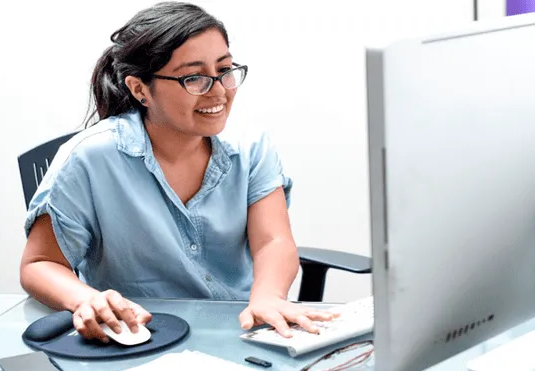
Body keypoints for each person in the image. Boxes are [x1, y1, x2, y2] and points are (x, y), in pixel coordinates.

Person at [19, 1, 334, 344]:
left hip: (240, 327)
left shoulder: (251, 148)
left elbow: (273, 240)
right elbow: (38, 264)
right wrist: (86, 299)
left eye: (225, 70)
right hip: (141, 335)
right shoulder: (89, 158)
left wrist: (269, 295)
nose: (218, 90)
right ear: (140, 89)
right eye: (194, 78)